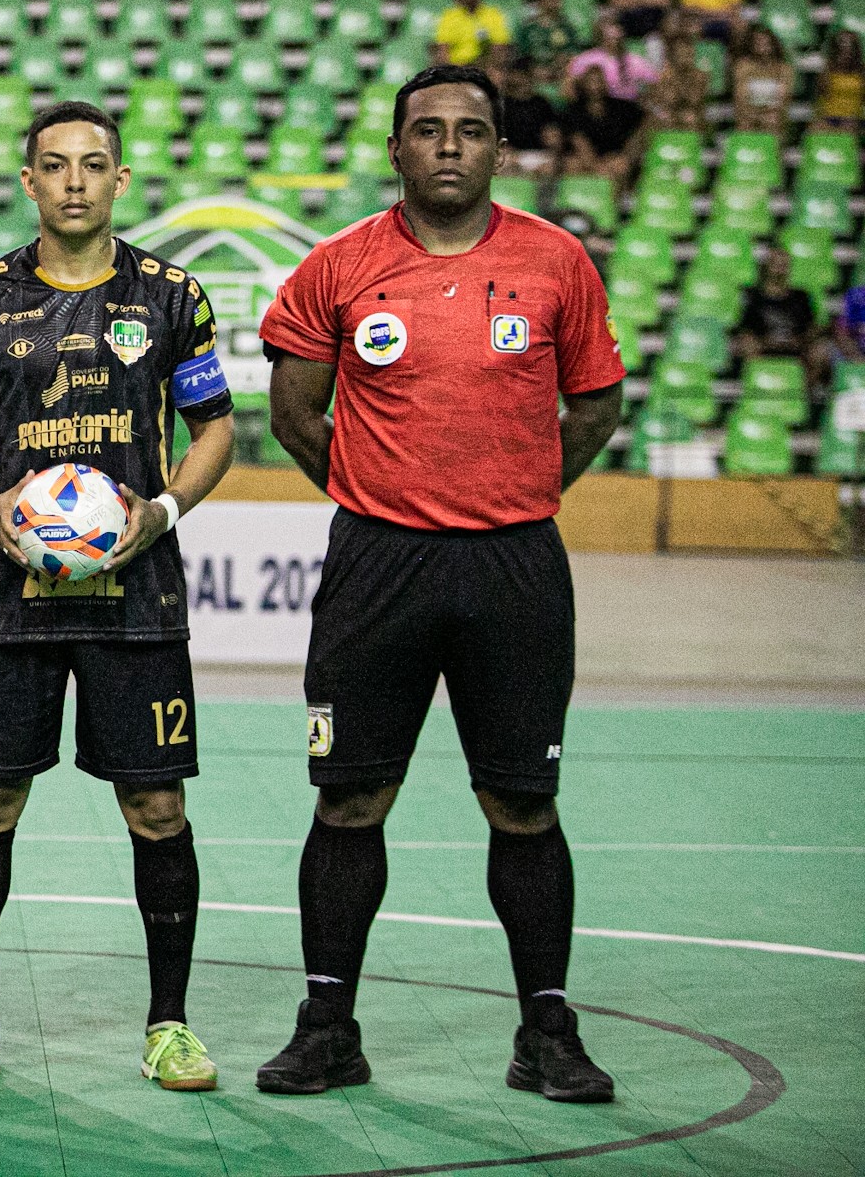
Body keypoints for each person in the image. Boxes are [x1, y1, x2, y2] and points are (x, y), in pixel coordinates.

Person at [255, 63, 625, 1104]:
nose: (449, 145)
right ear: (395, 149)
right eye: (427, 130)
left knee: (520, 802)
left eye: (469, 129)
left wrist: (515, 489)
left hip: (513, 564)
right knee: (348, 799)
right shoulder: (337, 266)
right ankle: (327, 1025)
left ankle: (546, 1031)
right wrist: (380, 495)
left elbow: (592, 409)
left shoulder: (556, 263)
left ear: (497, 149)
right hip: (377, 563)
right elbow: (294, 412)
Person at [0, 101, 237, 1092]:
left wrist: (161, 512)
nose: (75, 182)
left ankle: (168, 1025)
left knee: (155, 806)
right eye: (55, 166)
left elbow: (214, 427)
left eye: (93, 165)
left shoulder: (173, 296)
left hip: (135, 598)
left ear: (119, 179)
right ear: (28, 182)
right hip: (11, 598)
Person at [733, 250, 828, 380]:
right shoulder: (753, 296)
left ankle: (800, 394)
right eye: (776, 264)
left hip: (796, 345)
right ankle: (758, 384)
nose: (780, 269)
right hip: (763, 346)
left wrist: (801, 340)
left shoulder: (801, 296)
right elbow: (745, 328)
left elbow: (812, 327)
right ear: (766, 266)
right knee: (747, 343)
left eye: (784, 265)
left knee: (820, 349)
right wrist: (766, 341)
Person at [559, 63, 645, 183]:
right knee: (572, 165)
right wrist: (597, 167)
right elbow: (579, 142)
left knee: (621, 165)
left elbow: (642, 126)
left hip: (615, 157)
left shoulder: (623, 107)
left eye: (599, 81)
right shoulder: (573, 110)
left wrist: (626, 155)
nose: (595, 86)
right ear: (583, 85)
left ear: (605, 83)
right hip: (586, 159)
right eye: (591, 81)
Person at [434, 0, 513, 69]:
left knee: (497, 74)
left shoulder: (492, 14)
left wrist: (486, 65)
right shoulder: (450, 16)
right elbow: (443, 49)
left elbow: (500, 46)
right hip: (457, 67)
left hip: (484, 66)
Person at [567, 15, 657, 101]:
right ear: (600, 37)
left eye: (616, 37)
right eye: (609, 37)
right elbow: (569, 86)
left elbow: (654, 83)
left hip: (631, 107)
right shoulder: (587, 59)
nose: (614, 41)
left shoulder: (635, 60)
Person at [500, 58, 563, 174]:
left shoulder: (542, 103)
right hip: (512, 155)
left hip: (538, 154)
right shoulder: (503, 105)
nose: (522, 81)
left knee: (550, 167)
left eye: (525, 76)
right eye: (518, 76)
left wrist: (554, 147)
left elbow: (552, 133)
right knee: (504, 166)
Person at [731, 24, 795, 134]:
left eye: (766, 42)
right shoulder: (742, 66)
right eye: (758, 42)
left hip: (773, 113)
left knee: (772, 121)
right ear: (751, 45)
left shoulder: (784, 69)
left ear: (773, 44)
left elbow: (783, 99)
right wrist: (754, 114)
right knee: (745, 123)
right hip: (748, 112)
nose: (762, 45)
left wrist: (766, 114)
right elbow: (740, 97)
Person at [643, 33, 712, 132]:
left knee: (690, 118)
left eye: (689, 53)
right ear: (673, 55)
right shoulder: (663, 75)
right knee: (661, 119)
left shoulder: (700, 75)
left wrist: (684, 79)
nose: (687, 56)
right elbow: (667, 100)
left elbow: (694, 100)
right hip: (667, 112)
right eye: (683, 53)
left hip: (692, 113)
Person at [517, 0, 583, 85]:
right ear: (540, 1)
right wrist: (533, 69)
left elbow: (574, 54)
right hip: (533, 76)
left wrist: (563, 62)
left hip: (561, 75)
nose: (555, 2)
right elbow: (521, 56)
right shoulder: (528, 28)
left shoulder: (567, 28)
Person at [813, 29, 865, 131]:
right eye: (842, 44)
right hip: (829, 115)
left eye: (849, 45)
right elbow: (821, 94)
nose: (845, 47)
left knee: (846, 129)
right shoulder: (828, 69)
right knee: (815, 130)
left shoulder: (862, 71)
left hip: (854, 117)